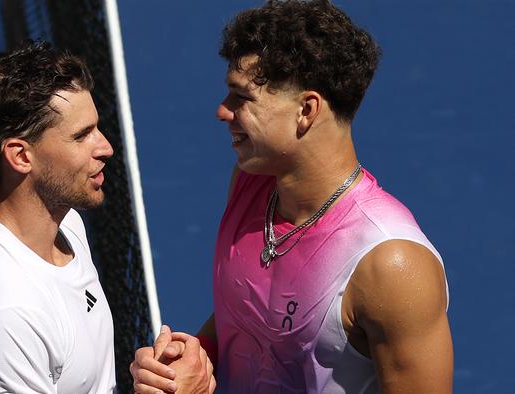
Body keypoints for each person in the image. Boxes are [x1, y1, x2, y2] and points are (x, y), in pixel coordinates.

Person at [131, 1, 453, 393]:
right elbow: (249, 317)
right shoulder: (251, 184)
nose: (222, 111)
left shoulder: (391, 266)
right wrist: (196, 361)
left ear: (306, 109)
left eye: (241, 98)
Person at [0, 41, 118, 393]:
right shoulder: (6, 313)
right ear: (20, 157)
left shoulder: (67, 223)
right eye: (81, 136)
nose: (105, 147)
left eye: (97, 127)